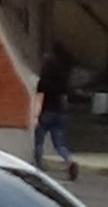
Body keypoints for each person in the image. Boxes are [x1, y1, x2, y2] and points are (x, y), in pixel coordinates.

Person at [34, 44, 79, 181]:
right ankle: (69, 160)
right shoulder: (62, 80)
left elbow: (39, 98)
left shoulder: (44, 81)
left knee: (38, 142)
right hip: (58, 113)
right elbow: (64, 98)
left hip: (45, 113)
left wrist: (36, 116)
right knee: (59, 144)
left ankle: (37, 168)